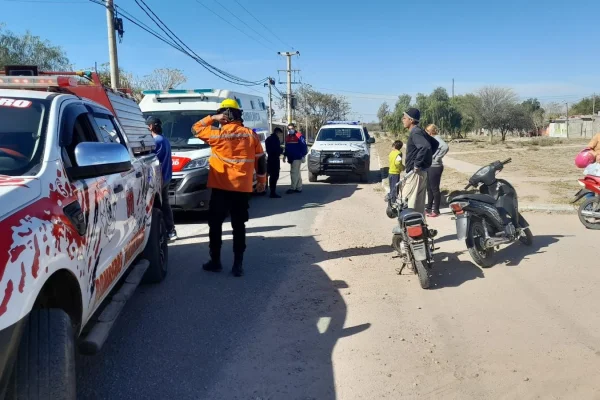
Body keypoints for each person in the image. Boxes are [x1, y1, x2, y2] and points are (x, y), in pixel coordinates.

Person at [191, 99, 267, 277]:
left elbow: (195, 128)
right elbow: (261, 159)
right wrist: (262, 181)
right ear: (239, 114)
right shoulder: (250, 135)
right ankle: (237, 265)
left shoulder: (216, 134)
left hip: (220, 188)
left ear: (223, 115)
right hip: (242, 189)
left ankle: (215, 261)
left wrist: (212, 117)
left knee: (215, 225)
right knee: (239, 225)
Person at [402, 108, 439, 215]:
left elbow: (425, 146)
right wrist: (425, 161)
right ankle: (421, 229)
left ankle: (408, 229)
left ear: (411, 120)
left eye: (404, 118)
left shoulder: (415, 132)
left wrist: (418, 164)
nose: (402, 120)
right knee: (418, 205)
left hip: (415, 173)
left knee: (407, 202)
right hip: (421, 172)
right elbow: (435, 144)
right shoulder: (419, 131)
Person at [146, 116, 177, 241]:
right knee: (165, 205)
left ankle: (159, 233)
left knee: (157, 207)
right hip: (166, 177)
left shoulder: (155, 141)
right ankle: (170, 230)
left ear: (151, 126)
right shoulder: (165, 140)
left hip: (159, 179)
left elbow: (149, 158)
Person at [425, 124, 449, 217]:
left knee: (434, 189)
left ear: (431, 131)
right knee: (429, 188)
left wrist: (437, 157)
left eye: (427, 131)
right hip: (430, 166)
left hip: (435, 167)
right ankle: (429, 208)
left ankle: (436, 210)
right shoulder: (431, 139)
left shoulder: (436, 138)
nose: (426, 132)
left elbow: (445, 147)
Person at [283, 123, 308, 194]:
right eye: (289, 129)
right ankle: (299, 187)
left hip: (297, 157)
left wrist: (303, 155)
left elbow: (304, 146)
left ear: (294, 128)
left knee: (293, 172)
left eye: (292, 128)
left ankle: (293, 188)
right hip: (291, 157)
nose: (290, 130)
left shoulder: (299, 136)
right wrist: (285, 156)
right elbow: (286, 147)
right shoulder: (287, 137)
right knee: (297, 172)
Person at [265, 129, 283, 198]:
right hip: (275, 159)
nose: (280, 135)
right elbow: (277, 150)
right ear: (277, 133)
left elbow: (268, 150)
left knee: (272, 175)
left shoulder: (268, 139)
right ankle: (273, 192)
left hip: (270, 159)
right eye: (280, 134)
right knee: (275, 176)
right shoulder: (275, 139)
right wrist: (281, 150)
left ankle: (272, 191)